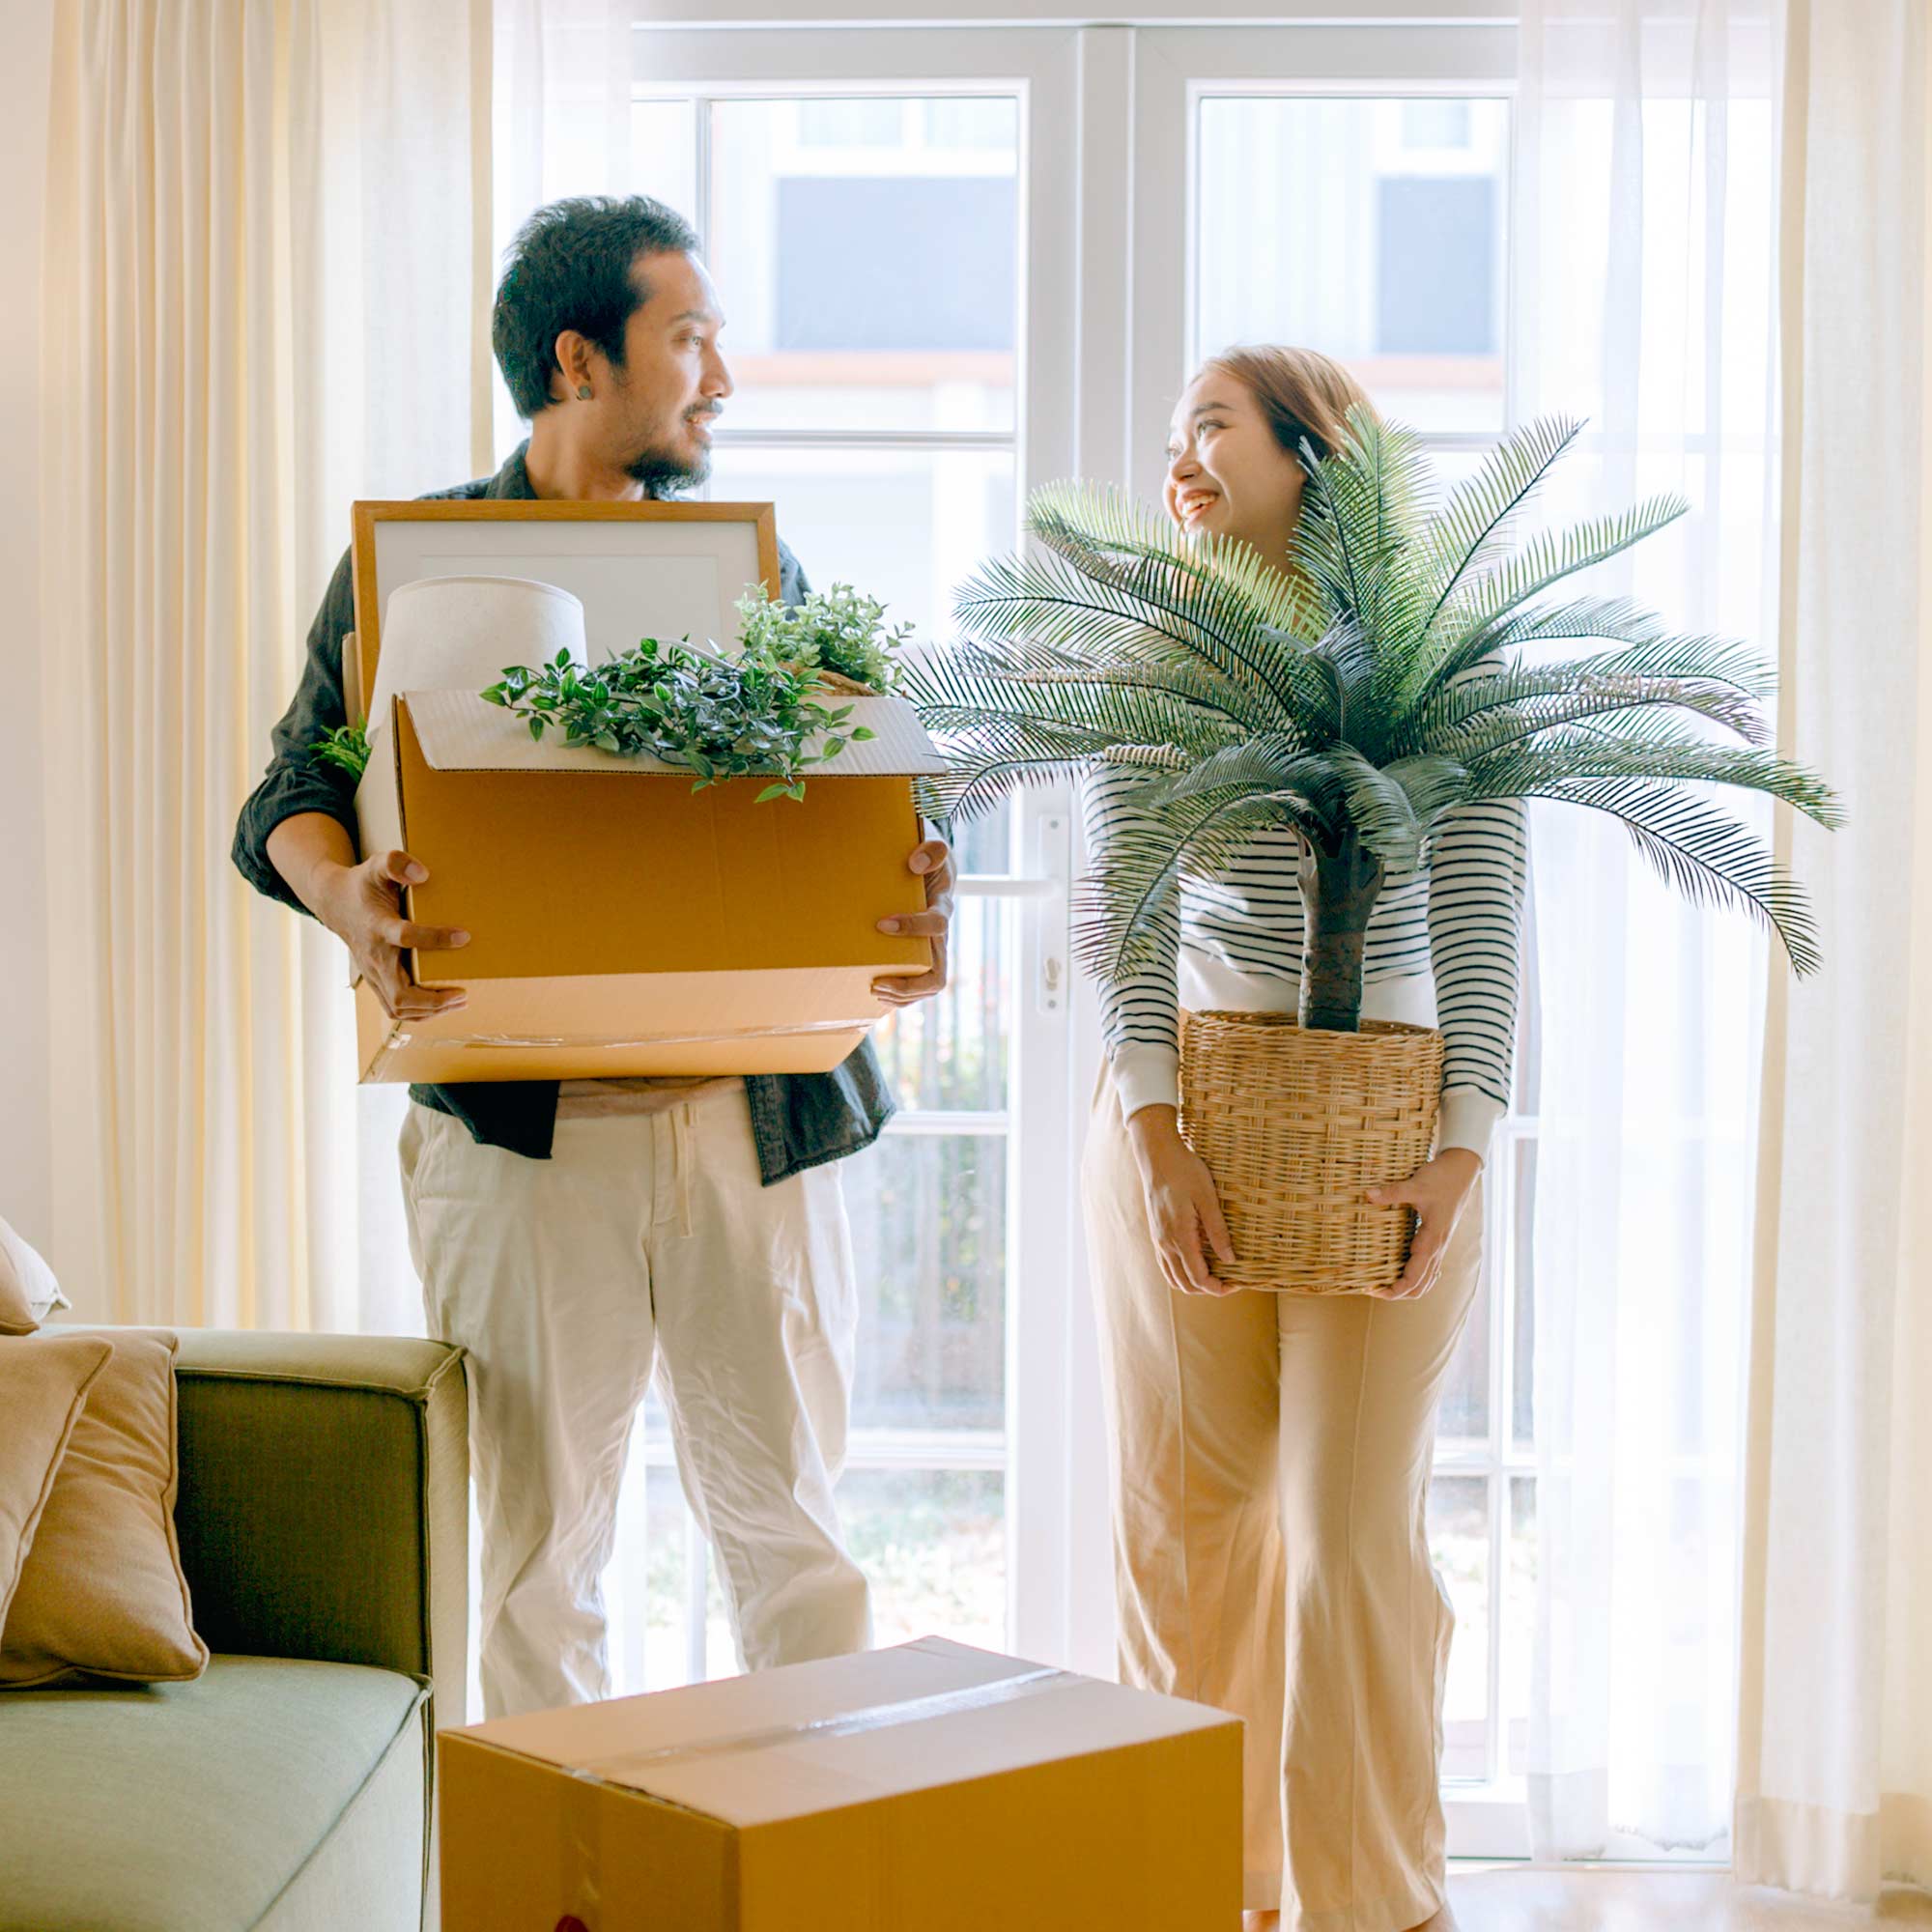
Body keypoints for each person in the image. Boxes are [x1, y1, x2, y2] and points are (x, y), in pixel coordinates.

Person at [232, 195, 954, 1720]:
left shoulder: (763, 580)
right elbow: (289, 796)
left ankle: (814, 1869)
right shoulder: (415, 567)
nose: (721, 378)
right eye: (687, 336)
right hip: (519, 1135)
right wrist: (353, 898)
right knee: (532, 1570)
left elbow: (866, 791)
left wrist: (902, 876)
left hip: (749, 1129)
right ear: (579, 359)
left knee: (799, 1546)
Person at [1079, 345, 1527, 1932]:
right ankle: (1204, 1889)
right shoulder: (1163, 651)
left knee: (1350, 1536)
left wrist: (1462, 1148)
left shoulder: (1440, 660)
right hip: (1183, 1111)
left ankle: (1376, 1903)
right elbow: (1119, 913)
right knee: (1190, 1530)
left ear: (1311, 453)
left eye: (1211, 421)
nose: (1181, 454)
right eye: (1173, 426)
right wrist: (1153, 1136)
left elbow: (1481, 920)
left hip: (1387, 1121)